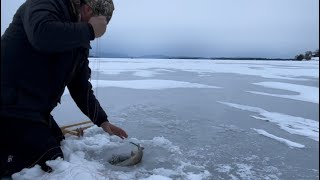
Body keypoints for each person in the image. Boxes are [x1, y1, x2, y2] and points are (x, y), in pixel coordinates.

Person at [0, 0, 128, 176]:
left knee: (60, 144)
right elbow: (41, 35)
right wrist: (89, 30)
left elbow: (81, 87)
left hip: (33, 112)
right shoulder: (46, 4)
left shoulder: (77, 36)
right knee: (53, 164)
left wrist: (102, 121)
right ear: (88, 10)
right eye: (101, 24)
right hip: (8, 107)